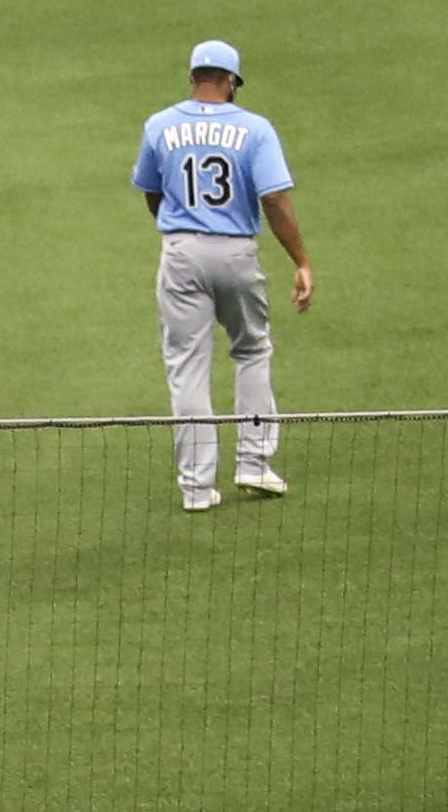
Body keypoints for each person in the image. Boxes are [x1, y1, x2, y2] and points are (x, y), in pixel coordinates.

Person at [132, 38, 314, 513]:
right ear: (231, 81)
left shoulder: (160, 125)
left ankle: (195, 487)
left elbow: (153, 194)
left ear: (192, 76)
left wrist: (178, 233)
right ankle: (253, 462)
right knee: (252, 349)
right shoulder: (255, 129)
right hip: (235, 253)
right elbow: (274, 199)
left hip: (180, 251)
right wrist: (301, 260)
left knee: (187, 365)